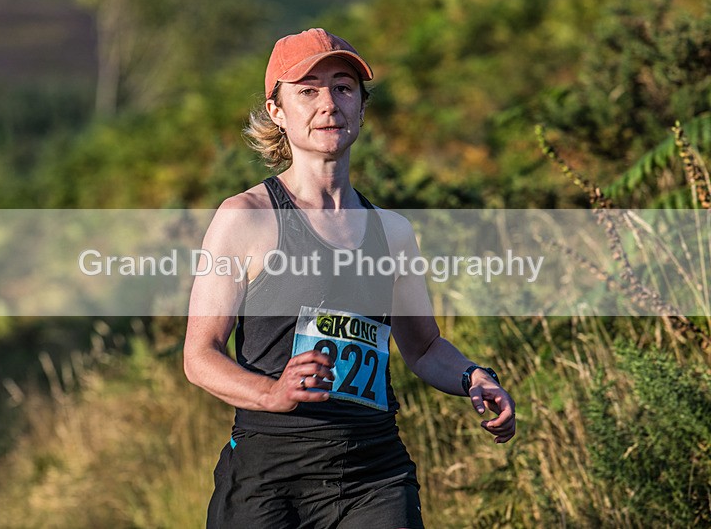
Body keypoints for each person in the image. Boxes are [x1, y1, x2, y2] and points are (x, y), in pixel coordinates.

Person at [183, 28, 516, 529]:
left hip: (373, 476)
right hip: (270, 478)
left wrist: (473, 376)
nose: (329, 104)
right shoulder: (246, 217)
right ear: (277, 111)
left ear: (362, 105)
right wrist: (273, 394)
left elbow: (423, 350)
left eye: (343, 87)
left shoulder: (393, 232)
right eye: (308, 90)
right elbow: (199, 355)